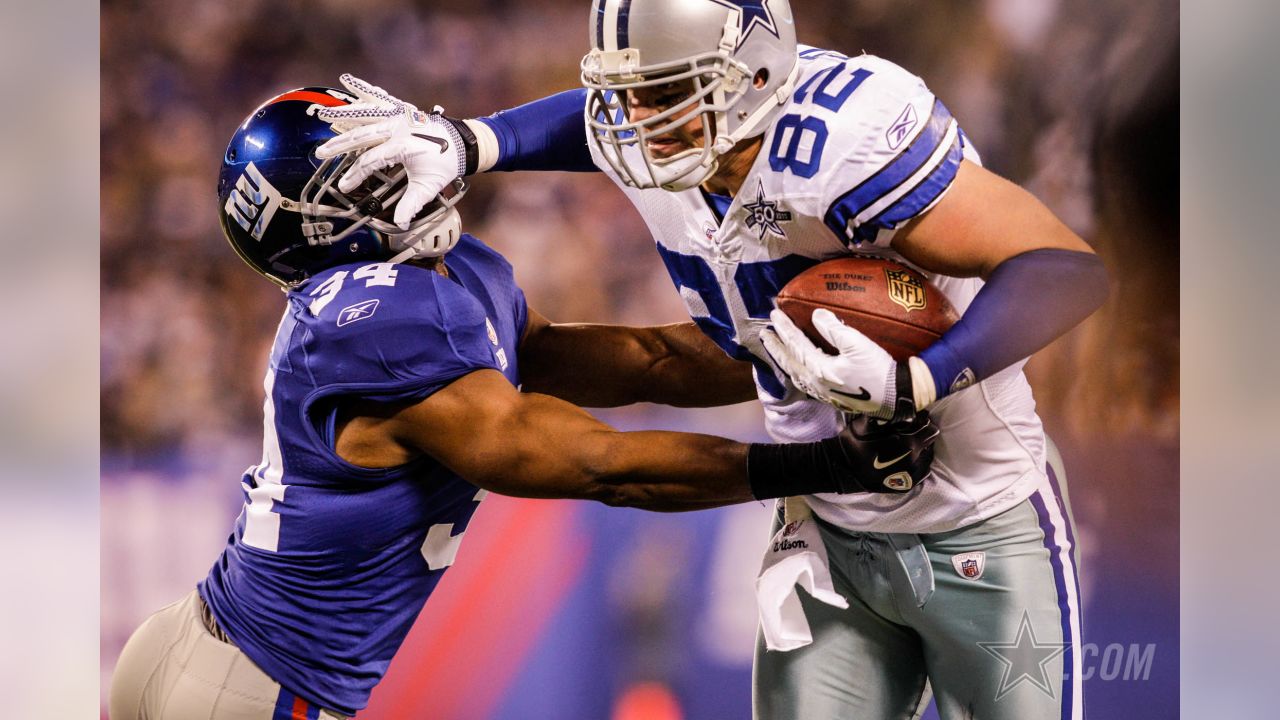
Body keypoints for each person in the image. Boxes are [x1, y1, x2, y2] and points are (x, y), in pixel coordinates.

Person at [312, 1, 1111, 718]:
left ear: (753, 74)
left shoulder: (841, 141)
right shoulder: (673, 132)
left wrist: (920, 376)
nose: (637, 121)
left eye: (664, 94)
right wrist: (474, 141)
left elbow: (1064, 267)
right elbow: (586, 122)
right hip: (828, 531)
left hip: (978, 517)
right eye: (628, 93)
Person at [107, 87, 940, 720]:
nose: (401, 159)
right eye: (365, 173)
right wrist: (826, 464)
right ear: (328, 227)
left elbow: (638, 362)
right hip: (253, 685)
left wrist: (789, 344)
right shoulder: (376, 322)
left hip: (209, 645)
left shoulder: (445, 274)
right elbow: (601, 465)